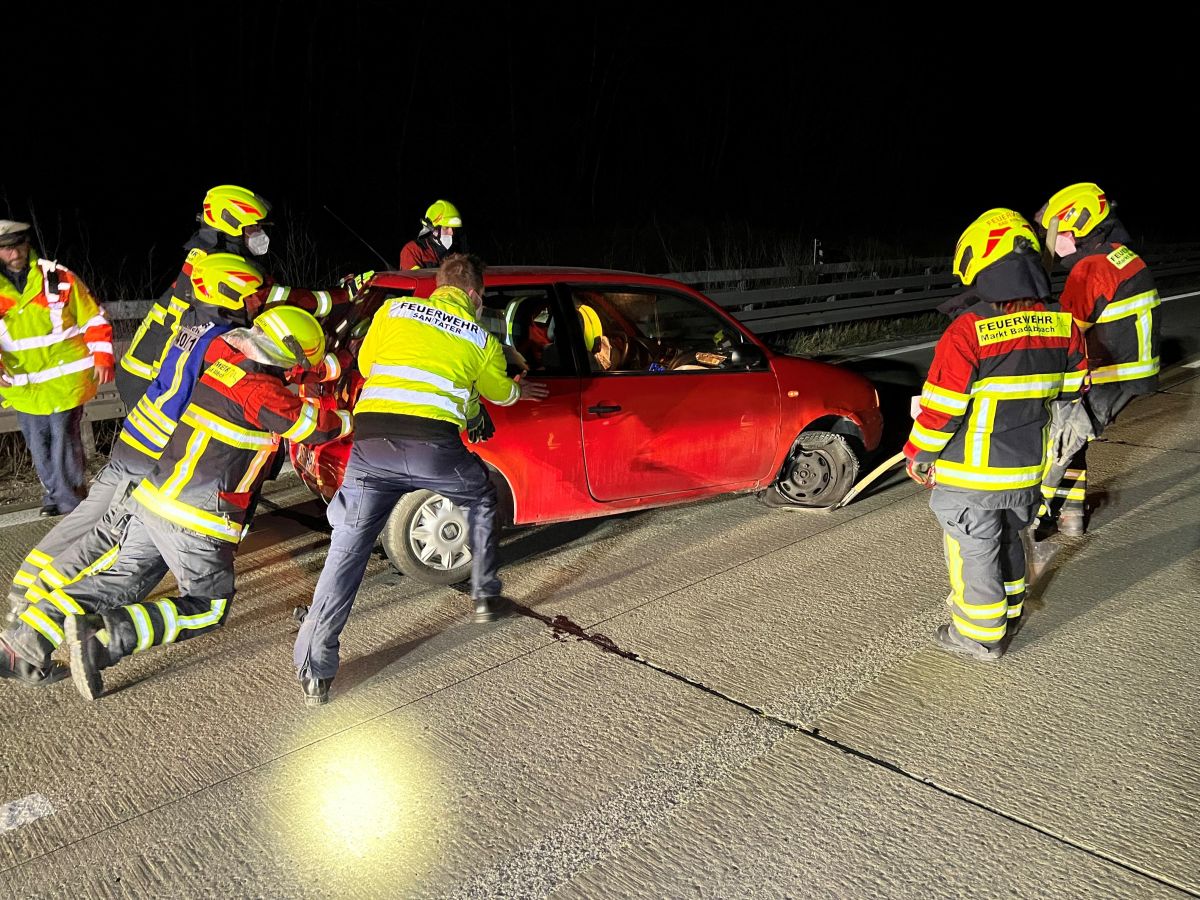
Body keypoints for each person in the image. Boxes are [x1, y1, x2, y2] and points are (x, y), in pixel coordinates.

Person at [0, 305, 352, 696]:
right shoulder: (260, 392)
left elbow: (293, 372)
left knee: (118, 581)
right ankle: (105, 640)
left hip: (154, 499)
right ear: (286, 357)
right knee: (209, 605)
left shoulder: (224, 364)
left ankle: (25, 643)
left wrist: (331, 365)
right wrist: (357, 417)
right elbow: (315, 427)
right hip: (196, 518)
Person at [293, 252, 548, 707]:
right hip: (433, 448)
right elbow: (501, 392)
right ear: (473, 294)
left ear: (438, 285)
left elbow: (370, 364)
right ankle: (486, 594)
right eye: (483, 298)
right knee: (483, 498)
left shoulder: (394, 311)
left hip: (370, 447)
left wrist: (465, 403)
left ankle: (315, 670)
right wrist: (508, 394)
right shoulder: (481, 339)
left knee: (347, 552)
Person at [4, 253, 286, 625]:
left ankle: (28, 590)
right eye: (252, 295)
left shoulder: (193, 321)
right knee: (109, 540)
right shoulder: (224, 342)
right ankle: (39, 610)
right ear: (228, 293)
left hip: (137, 437)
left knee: (88, 521)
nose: (259, 303)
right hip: (154, 451)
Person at [905, 208, 1088, 660]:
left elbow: (942, 410)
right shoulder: (1065, 327)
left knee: (974, 550)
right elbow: (1068, 400)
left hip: (972, 476)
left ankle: (980, 636)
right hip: (1026, 472)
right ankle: (1009, 609)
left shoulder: (968, 331)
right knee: (1008, 537)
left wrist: (918, 455)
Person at [117, 184, 358, 409]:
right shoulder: (216, 266)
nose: (260, 233)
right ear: (232, 225)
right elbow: (277, 298)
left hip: (158, 371)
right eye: (254, 227)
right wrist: (345, 295)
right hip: (152, 376)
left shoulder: (210, 255)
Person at [1035, 182, 1160, 536]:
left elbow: (1067, 332)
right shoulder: (1121, 255)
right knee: (1077, 440)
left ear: (1077, 224)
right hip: (1129, 371)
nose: (1051, 240)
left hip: (1106, 372)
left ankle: (1036, 513)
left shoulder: (1090, 268)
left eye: (1054, 230)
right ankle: (1072, 515)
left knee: (1058, 442)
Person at [0, 219, 114, 518]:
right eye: (8, 249)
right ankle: (56, 495)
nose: (16, 254)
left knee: (64, 437)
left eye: (20, 245)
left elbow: (93, 318)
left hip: (67, 377)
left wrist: (102, 357)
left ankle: (70, 500)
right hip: (26, 386)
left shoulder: (57, 277)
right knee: (39, 443)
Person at [399, 199, 463, 270]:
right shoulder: (413, 250)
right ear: (432, 228)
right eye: (446, 227)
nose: (452, 232)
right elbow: (415, 279)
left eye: (454, 228)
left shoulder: (456, 254)